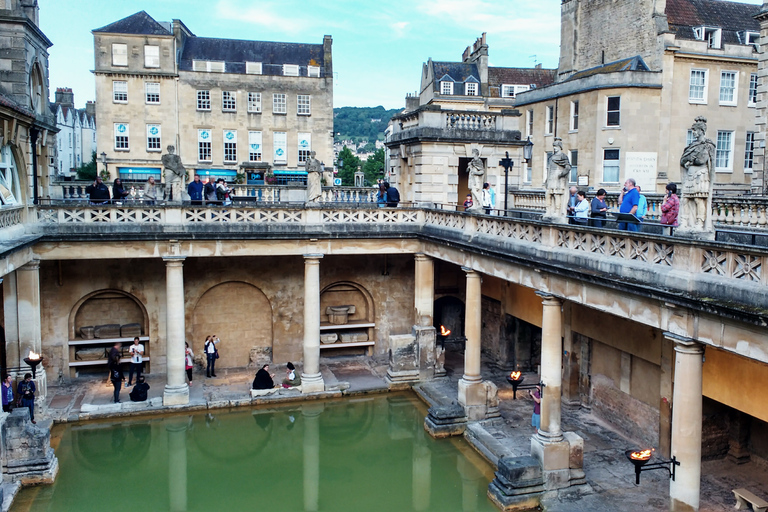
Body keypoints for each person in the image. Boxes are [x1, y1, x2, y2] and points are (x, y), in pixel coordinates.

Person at [544, 139, 571, 219]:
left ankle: (557, 211)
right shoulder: (551, 157)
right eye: (554, 146)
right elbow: (549, 169)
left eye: (556, 146)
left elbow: (568, 167)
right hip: (551, 178)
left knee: (556, 195)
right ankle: (548, 211)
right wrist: (547, 179)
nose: (554, 148)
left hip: (558, 179)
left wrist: (561, 174)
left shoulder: (563, 156)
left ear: (560, 147)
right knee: (548, 195)